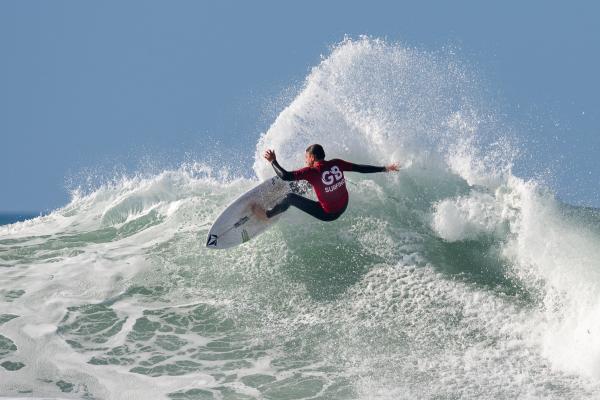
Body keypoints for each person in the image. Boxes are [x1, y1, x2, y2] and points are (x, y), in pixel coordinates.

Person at [251, 144, 399, 222]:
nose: (305, 160)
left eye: (306, 157)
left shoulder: (311, 172)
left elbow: (285, 176)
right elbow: (360, 168)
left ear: (313, 157)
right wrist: (385, 168)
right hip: (343, 205)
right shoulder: (337, 163)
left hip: (328, 213)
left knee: (290, 198)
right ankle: (297, 192)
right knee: (311, 182)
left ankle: (267, 215)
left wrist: (273, 161)